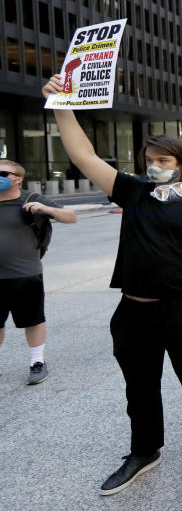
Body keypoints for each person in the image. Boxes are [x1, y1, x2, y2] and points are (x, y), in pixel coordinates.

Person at [42, 75, 182, 497]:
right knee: (139, 387)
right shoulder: (134, 192)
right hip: (133, 310)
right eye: (149, 158)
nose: (154, 165)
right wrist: (62, 104)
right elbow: (85, 156)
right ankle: (144, 451)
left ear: (181, 163)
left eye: (163, 159)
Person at [0, 159, 76, 383]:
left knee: (33, 320)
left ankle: (37, 362)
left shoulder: (31, 200)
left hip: (26, 273)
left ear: (18, 178)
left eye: (4, 173)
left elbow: (71, 216)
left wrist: (45, 208)